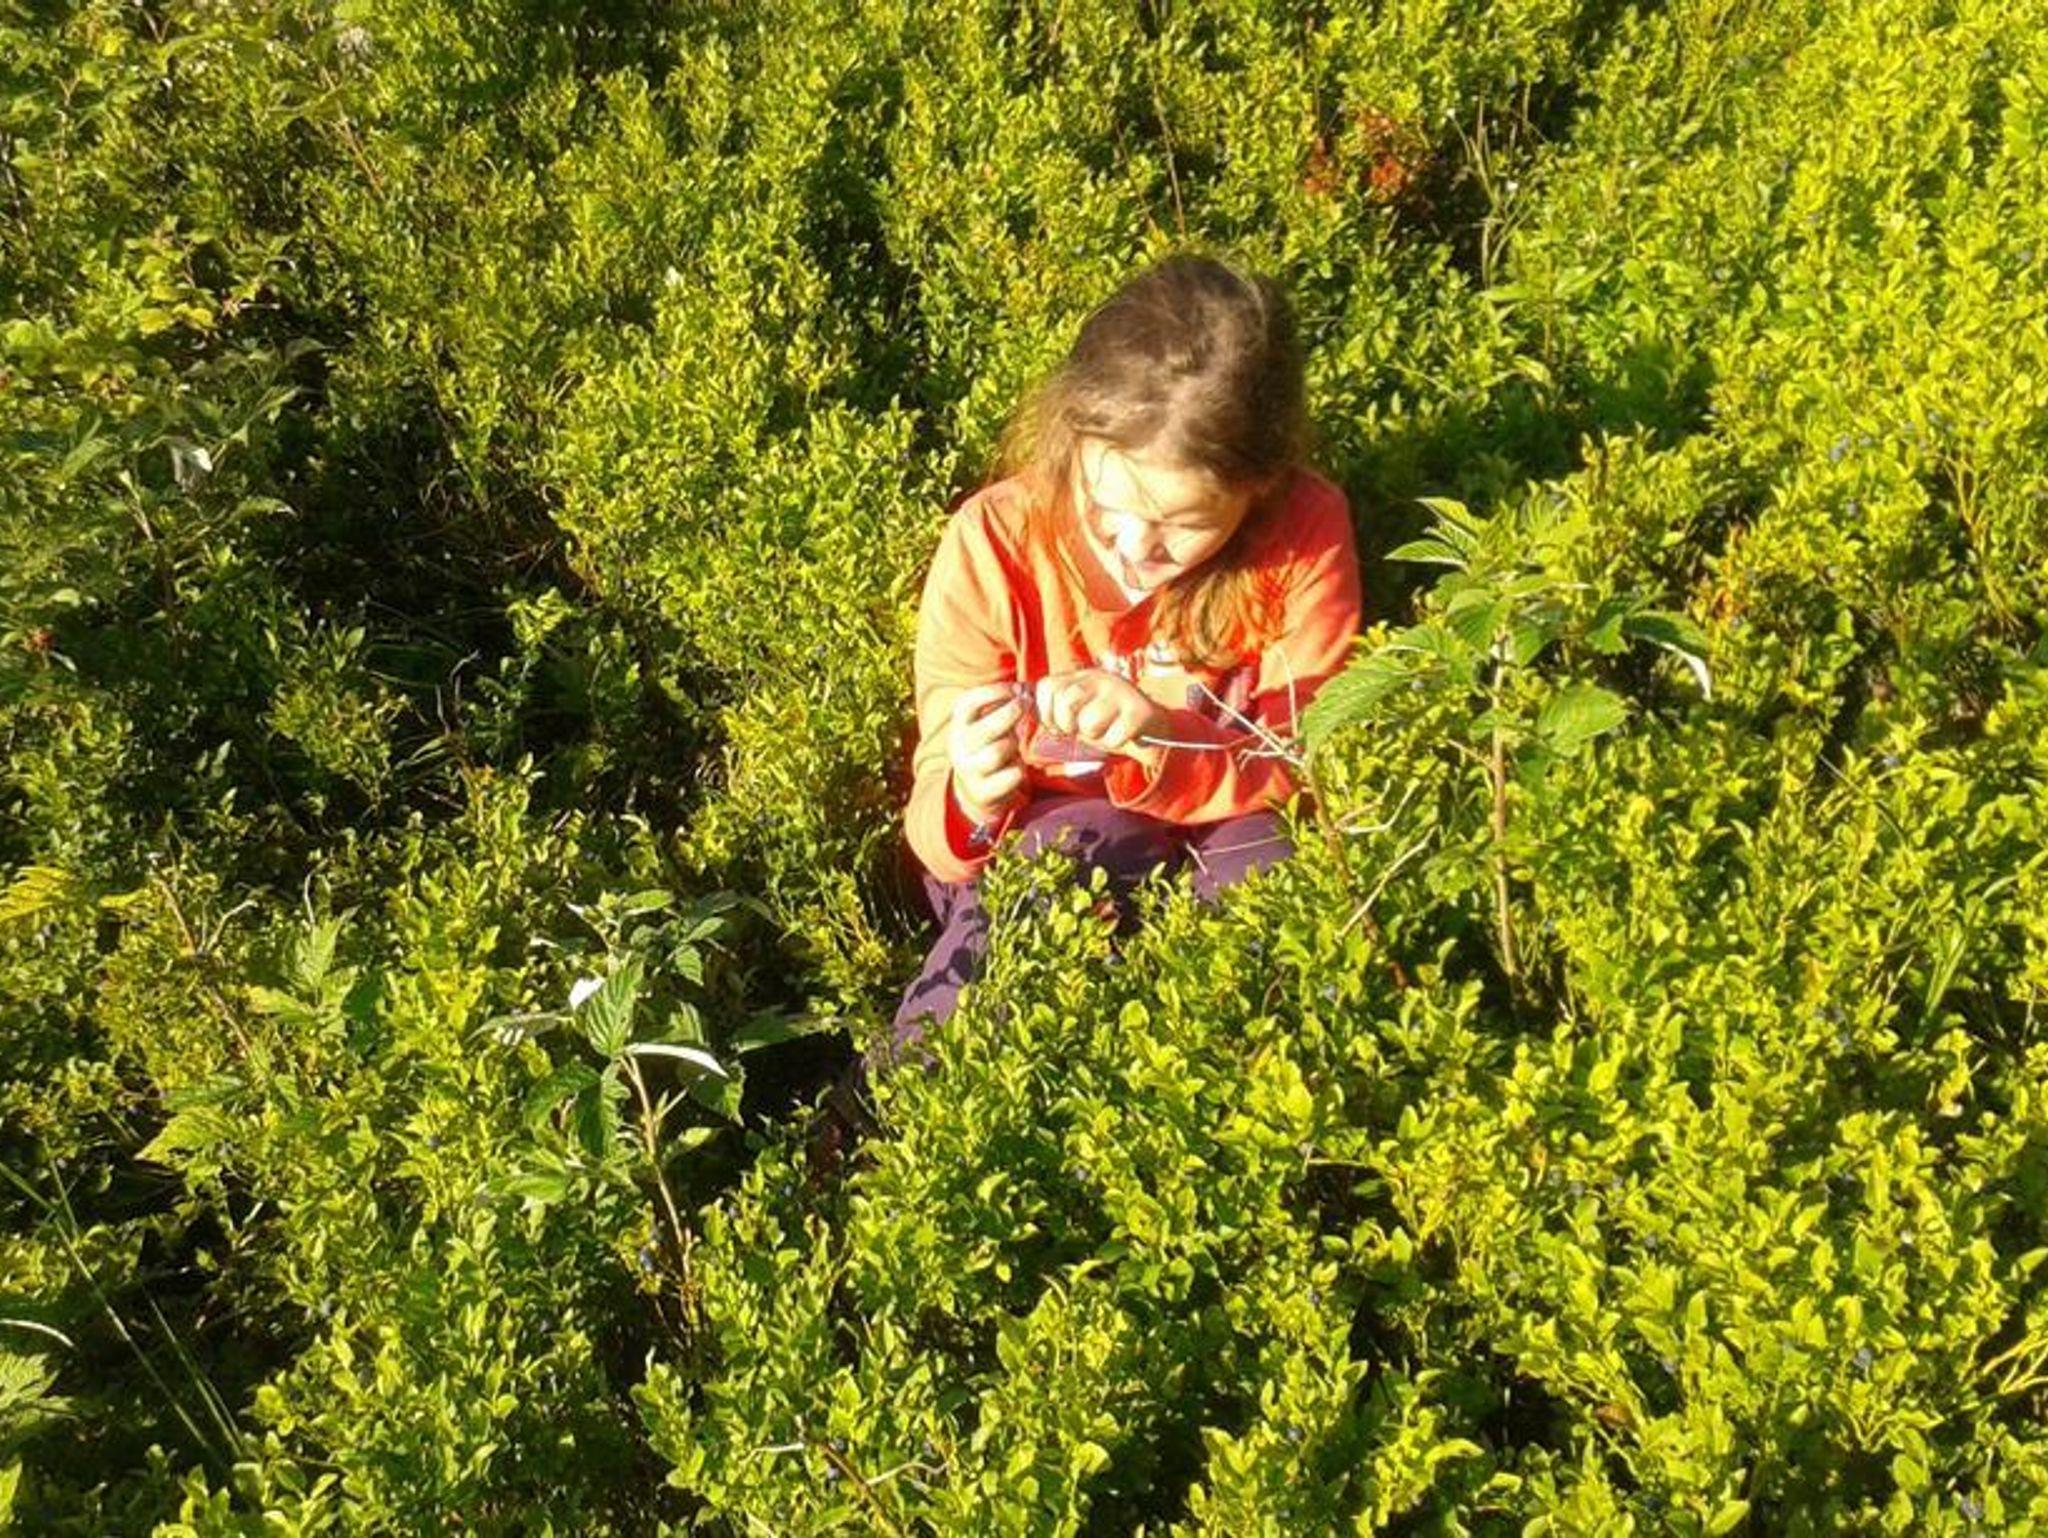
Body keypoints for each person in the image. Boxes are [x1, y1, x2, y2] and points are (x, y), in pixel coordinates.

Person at [876, 251, 1365, 1080]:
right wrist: (973, 795)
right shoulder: (995, 543)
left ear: (1260, 488)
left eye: (1185, 524)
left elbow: (1311, 752)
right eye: (1107, 508)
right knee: (1076, 848)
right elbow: (938, 832)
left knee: (1273, 875)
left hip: (1237, 821)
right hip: (1048, 834)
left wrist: (1163, 737)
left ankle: (1242, 1115)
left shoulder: (1304, 531)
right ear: (1072, 437)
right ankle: (897, 1109)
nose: (1137, 547)